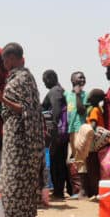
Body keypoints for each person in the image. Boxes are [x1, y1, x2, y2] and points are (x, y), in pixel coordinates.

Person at [0, 43, 44, 217]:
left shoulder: (20, 79)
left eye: (6, 60)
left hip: (20, 139)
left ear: (11, 59)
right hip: (21, 137)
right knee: (20, 181)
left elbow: (22, 109)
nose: (5, 64)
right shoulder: (25, 77)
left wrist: (1, 99)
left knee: (14, 182)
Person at [41, 70, 72, 199]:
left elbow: (57, 110)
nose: (44, 84)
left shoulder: (54, 91)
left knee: (56, 161)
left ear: (50, 78)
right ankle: (59, 190)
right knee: (59, 160)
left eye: (44, 81)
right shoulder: (60, 90)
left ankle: (59, 191)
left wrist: (52, 129)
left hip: (57, 133)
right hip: (61, 133)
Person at [65, 72, 87, 195]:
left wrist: (78, 95)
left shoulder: (85, 95)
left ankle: (83, 190)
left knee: (80, 159)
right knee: (71, 161)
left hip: (80, 129)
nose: (82, 79)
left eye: (83, 77)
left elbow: (81, 110)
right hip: (70, 131)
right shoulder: (67, 94)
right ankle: (75, 189)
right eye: (79, 77)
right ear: (72, 80)